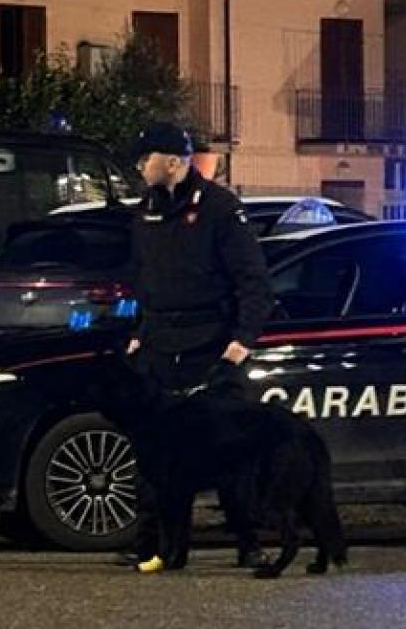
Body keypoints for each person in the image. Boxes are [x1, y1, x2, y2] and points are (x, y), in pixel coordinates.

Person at [121, 121, 275, 569]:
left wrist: (241, 341)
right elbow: (141, 278)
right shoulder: (145, 211)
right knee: (154, 450)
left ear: (173, 161)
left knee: (225, 449)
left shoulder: (220, 209)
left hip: (210, 348)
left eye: (145, 157)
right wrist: (137, 332)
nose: (139, 166)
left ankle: (248, 539)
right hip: (159, 347)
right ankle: (154, 544)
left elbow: (253, 281)